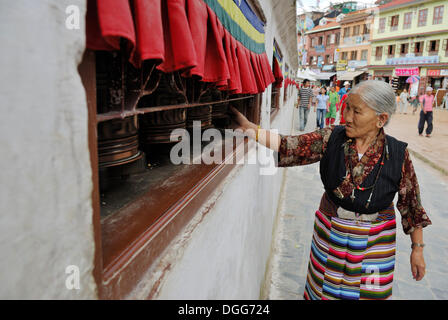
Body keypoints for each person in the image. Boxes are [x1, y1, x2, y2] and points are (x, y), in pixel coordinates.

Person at [229, 80, 431, 300]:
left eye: (356, 111)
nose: (347, 117)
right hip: (331, 234)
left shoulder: (398, 153)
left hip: (376, 241)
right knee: (324, 291)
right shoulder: (332, 137)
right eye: (347, 108)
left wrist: (417, 249)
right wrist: (250, 129)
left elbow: (411, 204)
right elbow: (291, 145)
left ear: (380, 119)